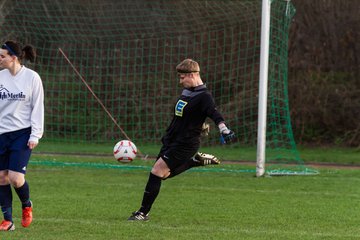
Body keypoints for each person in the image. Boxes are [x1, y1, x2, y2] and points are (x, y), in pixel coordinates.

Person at [128, 59, 235, 221]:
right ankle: (194, 161)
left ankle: (142, 213)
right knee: (162, 175)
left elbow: (214, 114)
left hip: (186, 143)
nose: (180, 81)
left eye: (182, 77)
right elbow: (186, 116)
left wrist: (224, 129)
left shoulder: (204, 96)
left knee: (156, 172)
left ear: (192, 75)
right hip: (171, 139)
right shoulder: (188, 92)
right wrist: (199, 125)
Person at [0, 40, 44, 231]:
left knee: (16, 179)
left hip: (22, 134)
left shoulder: (32, 78)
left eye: (2, 56)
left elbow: (37, 107)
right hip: (1, 133)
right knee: (1, 177)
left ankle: (26, 204)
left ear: (14, 58)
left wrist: (35, 134)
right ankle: (8, 220)